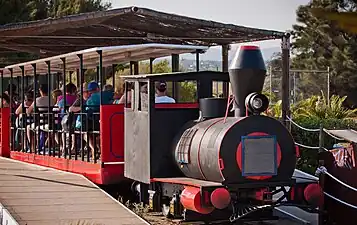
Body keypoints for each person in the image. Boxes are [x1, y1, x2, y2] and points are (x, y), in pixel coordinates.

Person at [26, 84, 54, 152]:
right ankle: (44, 145)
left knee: (28, 127)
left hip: (41, 124)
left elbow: (28, 111)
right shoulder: (52, 100)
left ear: (40, 91)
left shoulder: (37, 100)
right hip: (50, 122)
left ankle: (32, 147)